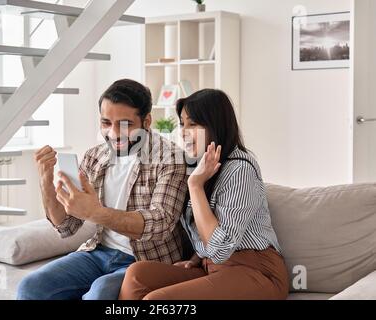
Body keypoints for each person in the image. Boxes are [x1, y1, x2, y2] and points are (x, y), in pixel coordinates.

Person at [17, 79, 187, 300]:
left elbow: (160, 223)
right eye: (106, 123)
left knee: (99, 294)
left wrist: (95, 212)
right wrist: (45, 181)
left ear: (146, 121)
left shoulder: (170, 158)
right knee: (30, 287)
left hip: (145, 261)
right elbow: (66, 226)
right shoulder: (94, 157)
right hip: (97, 252)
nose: (114, 133)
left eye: (124, 124)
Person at [119, 89, 289, 300]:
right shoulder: (199, 166)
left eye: (193, 124)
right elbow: (205, 234)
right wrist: (197, 257)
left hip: (257, 272)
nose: (183, 132)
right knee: (137, 275)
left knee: (158, 301)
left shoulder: (240, 170)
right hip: (213, 268)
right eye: (182, 124)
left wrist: (195, 186)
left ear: (214, 125)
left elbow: (220, 249)